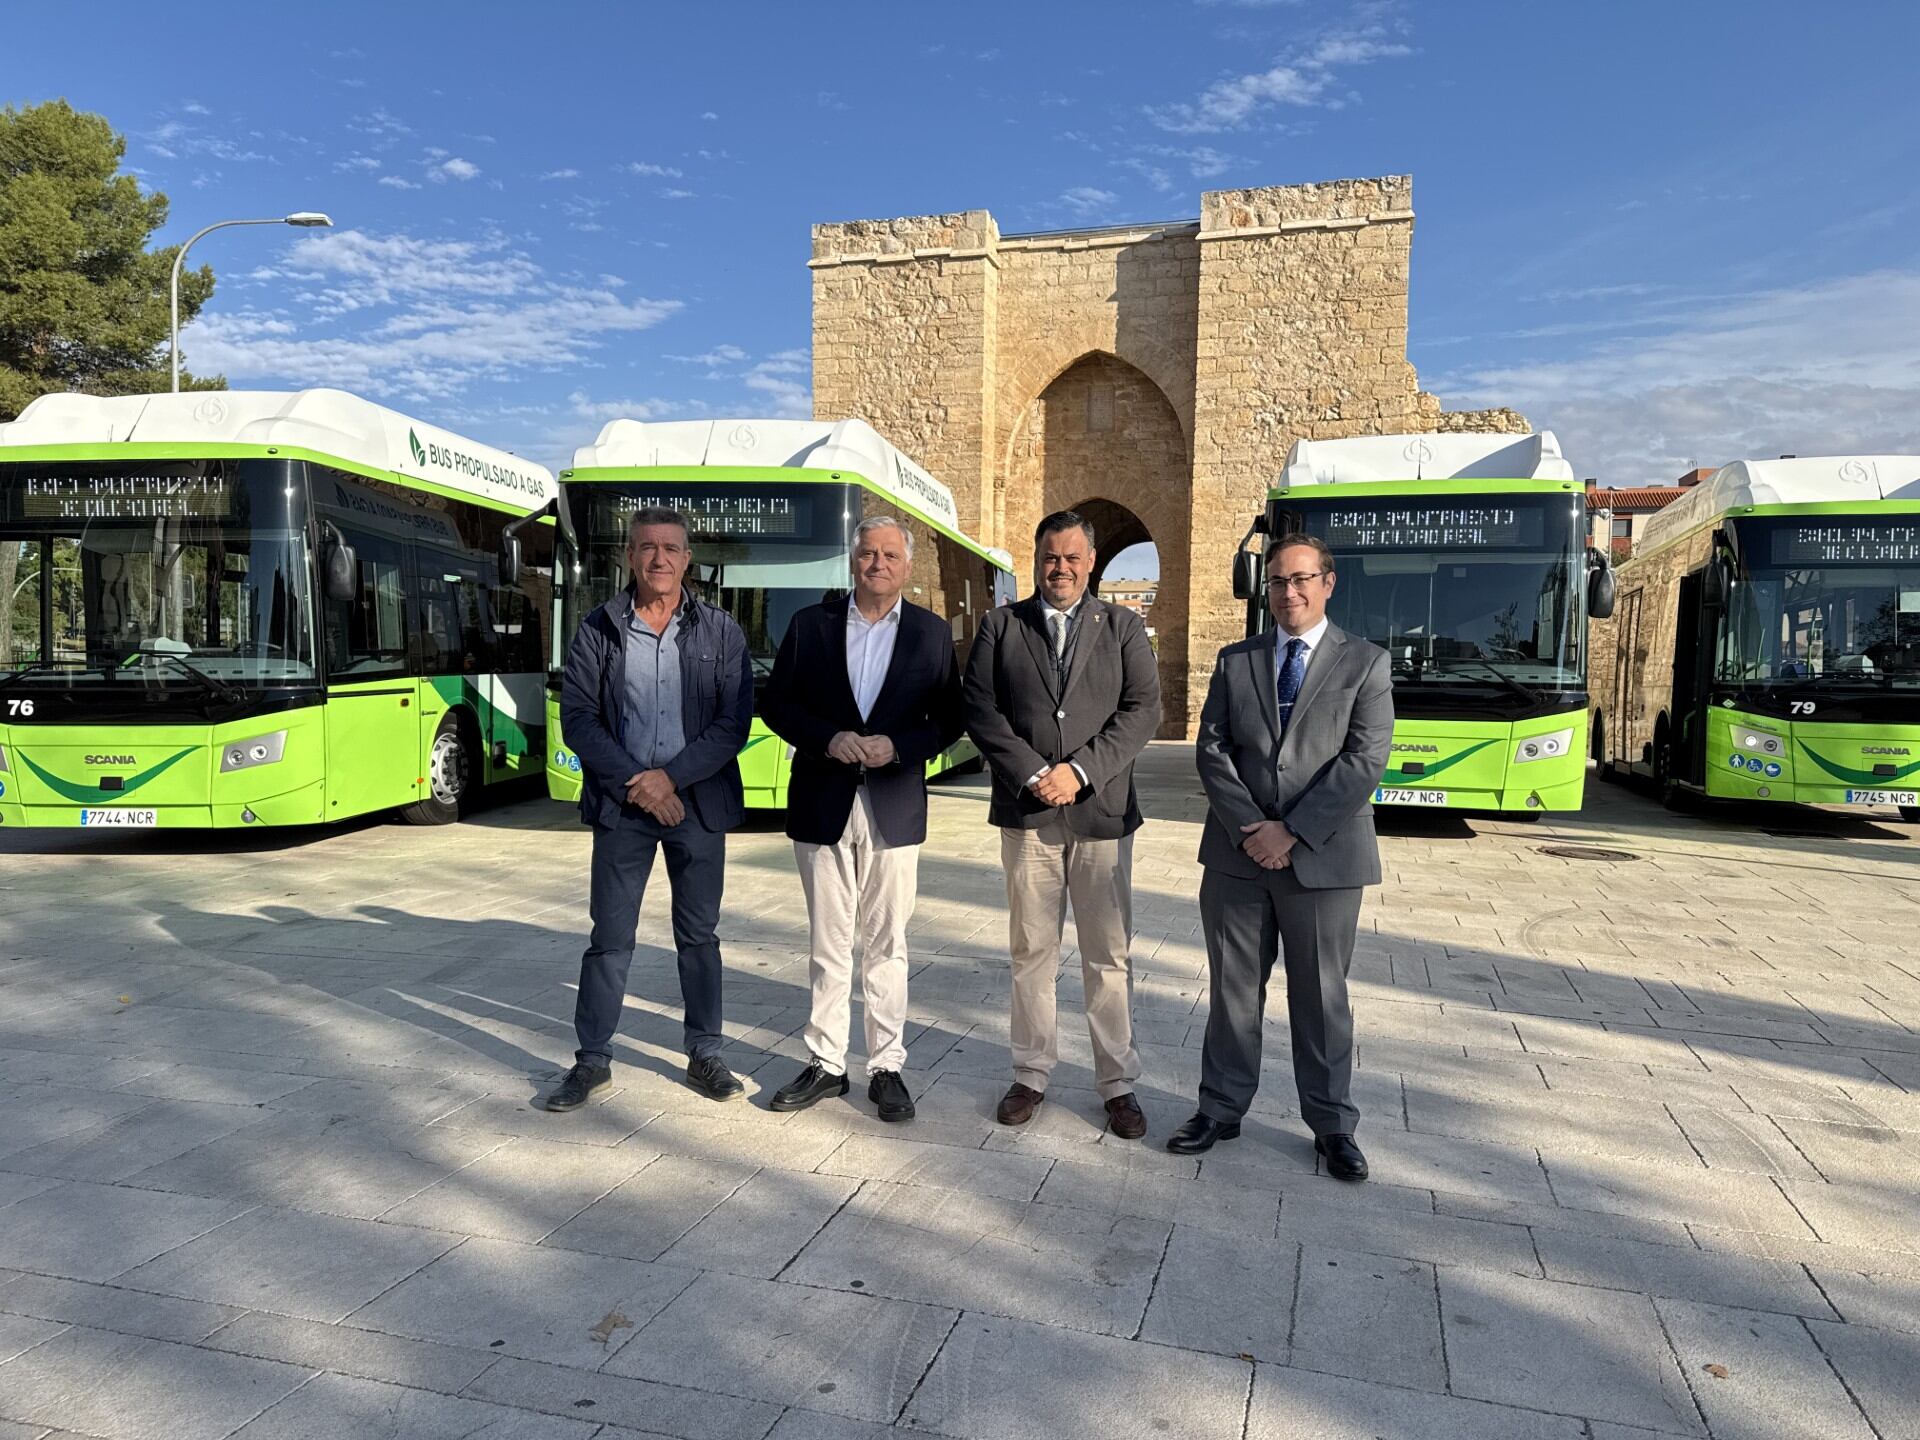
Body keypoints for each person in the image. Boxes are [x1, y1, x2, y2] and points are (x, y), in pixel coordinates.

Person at [1169, 532, 1393, 1180]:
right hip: (1238, 860)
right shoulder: (1235, 661)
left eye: (1301, 580)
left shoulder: (1365, 664)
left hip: (1323, 861)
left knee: (1321, 997)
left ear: (1327, 583)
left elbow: (1364, 759)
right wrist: (1251, 828)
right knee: (1233, 992)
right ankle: (1220, 1108)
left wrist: (1290, 830)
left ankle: (1332, 1125)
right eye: (1277, 582)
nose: (1288, 592)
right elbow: (1212, 749)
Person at [546, 506, 754, 1112]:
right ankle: (591, 1061)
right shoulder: (597, 628)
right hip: (624, 807)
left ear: (687, 559)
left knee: (699, 936)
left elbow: (731, 724)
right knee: (610, 937)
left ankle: (706, 1052)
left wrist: (671, 780)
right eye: (646, 547)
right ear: (629, 557)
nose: (659, 558)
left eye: (671, 548)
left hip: (698, 805)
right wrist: (640, 784)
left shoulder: (722, 632)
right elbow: (579, 718)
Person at [962, 510, 1161, 1138]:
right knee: (1032, 951)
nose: (1061, 569)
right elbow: (981, 708)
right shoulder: (1001, 625)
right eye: (1051, 557)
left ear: (1092, 561)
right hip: (1028, 816)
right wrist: (1031, 772)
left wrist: (1080, 771)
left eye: (1073, 558)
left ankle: (1117, 1084)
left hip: (1099, 815)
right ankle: (1031, 1073)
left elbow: (1143, 711)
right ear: (1037, 558)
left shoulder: (1124, 627)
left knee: (1108, 956)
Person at [759, 516, 965, 1121]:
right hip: (823, 802)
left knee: (887, 943)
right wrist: (830, 738)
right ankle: (825, 1063)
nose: (879, 563)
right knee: (828, 943)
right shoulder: (810, 626)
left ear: (907, 567)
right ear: (854, 562)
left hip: (893, 807)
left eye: (891, 555)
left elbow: (950, 718)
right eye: (869, 553)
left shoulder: (930, 635)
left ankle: (886, 1067)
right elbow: (777, 703)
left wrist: (897, 746)